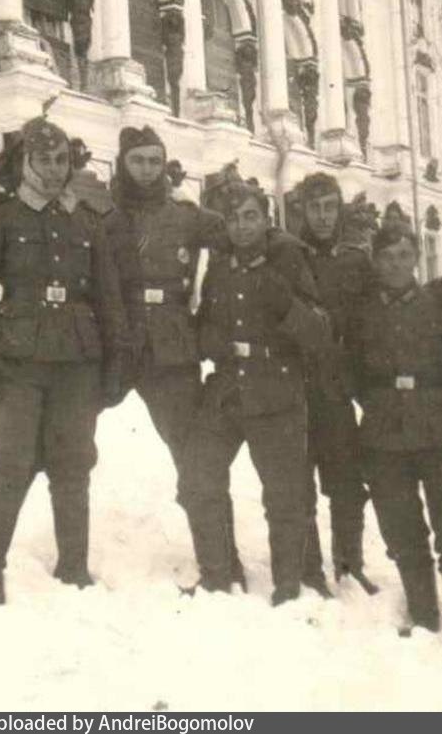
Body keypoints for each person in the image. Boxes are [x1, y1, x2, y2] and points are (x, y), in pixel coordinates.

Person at [0, 116, 127, 606]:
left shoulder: (86, 221)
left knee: (73, 463)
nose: (55, 170)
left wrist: (115, 359)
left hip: (78, 362)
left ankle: (73, 566)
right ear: (26, 162)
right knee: (9, 461)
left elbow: (107, 296)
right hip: (18, 360)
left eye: (62, 160)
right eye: (44, 160)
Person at [101, 126, 248, 588]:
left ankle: (222, 568)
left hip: (170, 347)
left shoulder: (187, 216)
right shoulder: (103, 218)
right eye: (138, 160)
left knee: (195, 458)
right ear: (122, 163)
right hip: (118, 344)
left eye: (154, 160)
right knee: (52, 434)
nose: (147, 169)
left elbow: (243, 237)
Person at [179, 181, 330, 606]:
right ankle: (216, 576)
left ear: (266, 219)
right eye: (233, 219)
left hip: (275, 390)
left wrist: (286, 305)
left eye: (250, 217)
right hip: (228, 390)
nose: (242, 227)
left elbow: (319, 333)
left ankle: (288, 586)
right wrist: (211, 342)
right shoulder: (222, 269)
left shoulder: (288, 261)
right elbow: (206, 321)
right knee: (196, 477)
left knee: (284, 495)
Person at [347, 221, 442, 646]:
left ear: (417, 259)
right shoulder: (363, 313)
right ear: (375, 262)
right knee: (402, 528)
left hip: (440, 432)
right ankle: (424, 614)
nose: (395, 265)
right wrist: (383, 405)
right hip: (385, 437)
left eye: (404, 256)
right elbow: (352, 373)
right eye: (386, 258)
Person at [292, 172, 377, 597]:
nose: (323, 217)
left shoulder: (356, 262)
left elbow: (368, 325)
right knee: (299, 485)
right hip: (298, 390)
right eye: (315, 208)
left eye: (330, 208)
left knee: (346, 483)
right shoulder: (288, 257)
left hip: (338, 390)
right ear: (302, 211)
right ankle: (310, 571)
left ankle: (349, 565)